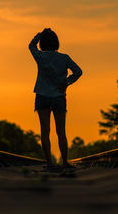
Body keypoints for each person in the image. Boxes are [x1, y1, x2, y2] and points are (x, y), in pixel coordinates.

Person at [29, 28, 82, 169]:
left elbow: (31, 46)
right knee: (61, 132)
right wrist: (67, 82)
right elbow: (78, 71)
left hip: (42, 96)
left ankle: (49, 163)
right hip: (59, 97)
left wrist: (39, 35)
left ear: (43, 43)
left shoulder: (40, 56)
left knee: (45, 131)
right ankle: (65, 162)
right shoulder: (64, 58)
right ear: (56, 42)